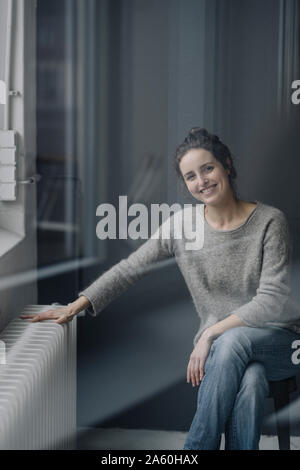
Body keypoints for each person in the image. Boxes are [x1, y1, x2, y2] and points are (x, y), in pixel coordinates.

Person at [21, 127, 300, 450]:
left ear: (226, 164)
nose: (202, 181)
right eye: (191, 176)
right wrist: (74, 307)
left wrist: (210, 333)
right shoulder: (182, 226)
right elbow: (130, 268)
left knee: (233, 341)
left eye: (208, 168)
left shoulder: (269, 221)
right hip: (224, 352)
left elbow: (271, 299)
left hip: (279, 340)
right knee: (250, 381)